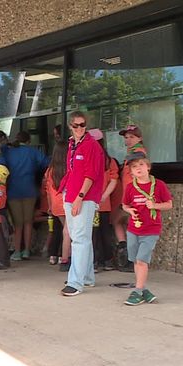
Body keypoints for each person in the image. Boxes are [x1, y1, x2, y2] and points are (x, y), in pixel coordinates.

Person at [57, 111, 104, 296]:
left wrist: (80, 197)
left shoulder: (91, 145)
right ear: (70, 126)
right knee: (81, 236)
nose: (79, 128)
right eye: (75, 125)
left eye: (82, 125)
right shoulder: (72, 144)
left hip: (84, 196)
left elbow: (91, 174)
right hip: (71, 194)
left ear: (86, 125)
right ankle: (86, 277)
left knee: (80, 238)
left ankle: (75, 282)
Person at [121, 152, 172, 305]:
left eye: (141, 165)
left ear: (148, 167)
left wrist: (155, 205)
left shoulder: (159, 185)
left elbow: (169, 204)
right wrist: (129, 210)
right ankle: (143, 290)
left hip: (151, 229)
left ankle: (137, 292)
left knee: (142, 260)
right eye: (134, 167)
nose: (138, 169)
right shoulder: (130, 187)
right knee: (136, 260)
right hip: (133, 229)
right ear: (130, 172)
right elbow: (125, 205)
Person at [3, 131, 50, 261]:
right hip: (30, 190)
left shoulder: (9, 152)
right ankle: (27, 251)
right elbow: (46, 162)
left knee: (18, 224)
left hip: (13, 190)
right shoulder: (32, 151)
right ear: (28, 141)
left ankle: (17, 251)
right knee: (28, 222)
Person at [113, 125, 148, 271]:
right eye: (126, 137)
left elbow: (138, 175)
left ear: (139, 138)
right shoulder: (132, 152)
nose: (127, 140)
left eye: (131, 137)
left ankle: (128, 257)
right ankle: (128, 255)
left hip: (133, 196)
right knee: (124, 223)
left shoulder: (138, 152)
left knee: (121, 222)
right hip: (130, 196)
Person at [88, 129, 119, 271]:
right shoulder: (109, 161)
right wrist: (104, 196)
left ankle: (94, 261)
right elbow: (114, 180)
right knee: (104, 231)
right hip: (103, 204)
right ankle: (107, 260)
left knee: (93, 232)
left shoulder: (88, 159)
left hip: (90, 203)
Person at [44, 140, 71, 271]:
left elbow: (48, 190)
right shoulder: (70, 169)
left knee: (65, 230)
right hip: (69, 203)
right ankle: (66, 259)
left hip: (56, 206)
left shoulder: (50, 171)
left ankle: (64, 258)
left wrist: (50, 206)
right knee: (69, 232)